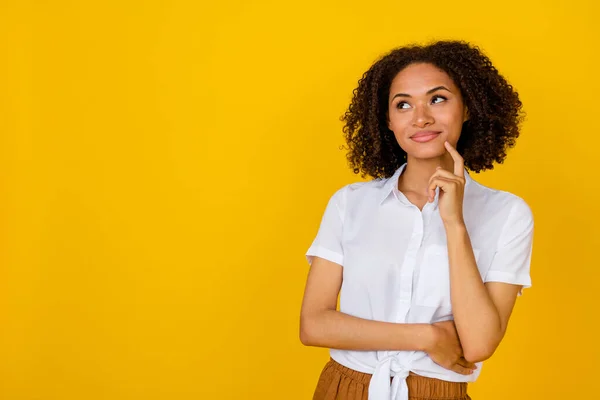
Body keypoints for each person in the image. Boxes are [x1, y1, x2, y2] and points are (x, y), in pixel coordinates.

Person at [299, 40, 534, 400]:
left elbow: (479, 344)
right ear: (389, 121)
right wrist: (426, 336)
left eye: (437, 99)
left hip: (437, 392)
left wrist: (455, 224)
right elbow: (313, 324)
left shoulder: (507, 214)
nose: (421, 117)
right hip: (345, 388)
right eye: (403, 104)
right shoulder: (350, 204)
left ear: (467, 107)